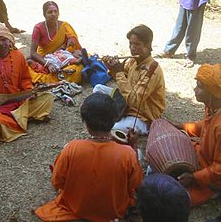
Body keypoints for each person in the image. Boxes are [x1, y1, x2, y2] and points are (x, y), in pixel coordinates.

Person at [34, 92, 143, 222]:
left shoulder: (71, 148)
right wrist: (133, 145)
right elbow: (136, 184)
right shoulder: (128, 154)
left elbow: (57, 182)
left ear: (86, 123)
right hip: (114, 211)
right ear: (114, 121)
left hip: (77, 208)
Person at [0, 21, 54, 142]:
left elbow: (25, 79)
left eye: (4, 40)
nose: (1, 44)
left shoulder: (18, 56)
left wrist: (29, 91)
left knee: (47, 98)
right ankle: (23, 118)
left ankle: (19, 118)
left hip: (19, 101)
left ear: (10, 40)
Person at [93, 24, 166, 135]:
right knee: (98, 88)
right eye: (130, 43)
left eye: (137, 44)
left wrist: (119, 72)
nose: (132, 48)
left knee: (112, 130)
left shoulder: (152, 70)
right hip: (126, 104)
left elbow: (134, 100)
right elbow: (122, 81)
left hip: (142, 116)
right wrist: (111, 68)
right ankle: (116, 115)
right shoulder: (133, 61)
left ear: (147, 45)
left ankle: (132, 124)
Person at [170, 64, 221, 206]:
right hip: (202, 157)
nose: (195, 89)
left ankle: (214, 192)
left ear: (212, 93)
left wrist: (194, 177)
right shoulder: (212, 107)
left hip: (213, 177)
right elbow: (205, 126)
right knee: (176, 140)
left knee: (173, 200)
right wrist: (182, 126)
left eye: (200, 86)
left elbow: (219, 169)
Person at [28, 1, 83, 84]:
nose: (53, 14)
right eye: (50, 12)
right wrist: (48, 64)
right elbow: (33, 53)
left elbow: (72, 40)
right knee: (28, 67)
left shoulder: (64, 25)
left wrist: (71, 43)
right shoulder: (38, 28)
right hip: (44, 58)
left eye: (55, 11)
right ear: (44, 14)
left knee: (78, 67)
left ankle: (59, 76)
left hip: (61, 55)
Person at [161, 0, 210, 68]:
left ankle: (190, 56)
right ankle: (169, 50)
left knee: (193, 29)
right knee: (179, 25)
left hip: (197, 0)